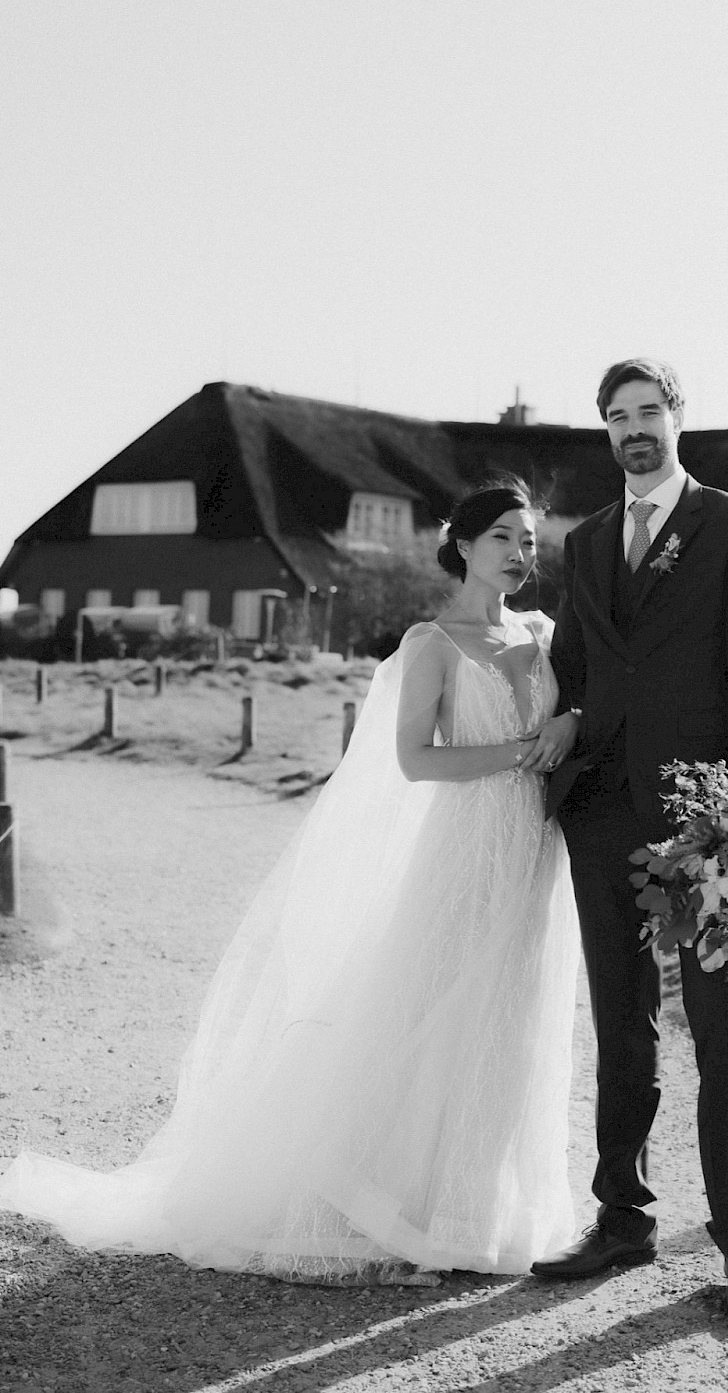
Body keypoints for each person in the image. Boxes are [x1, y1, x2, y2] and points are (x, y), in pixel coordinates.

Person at [0, 481, 581, 1282]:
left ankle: (480, 1206)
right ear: (465, 546)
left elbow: (585, 707)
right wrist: (525, 751)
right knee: (439, 1006)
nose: (520, 555)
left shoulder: (546, 633)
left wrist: (570, 722)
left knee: (510, 1016)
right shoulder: (432, 643)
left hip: (535, 850)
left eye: (530, 543)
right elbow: (416, 760)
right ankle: (400, 1200)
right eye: (504, 539)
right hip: (467, 845)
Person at [530, 358, 728, 1329]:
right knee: (621, 1023)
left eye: (648, 412)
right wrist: (564, 727)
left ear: (678, 419)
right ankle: (621, 1219)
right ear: (604, 432)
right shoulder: (588, 540)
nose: (634, 429)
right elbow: (580, 664)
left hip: (702, 815)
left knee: (722, 1024)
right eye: (616, 418)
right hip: (603, 810)